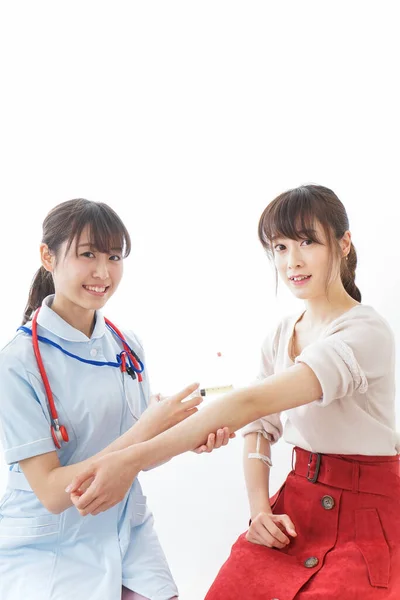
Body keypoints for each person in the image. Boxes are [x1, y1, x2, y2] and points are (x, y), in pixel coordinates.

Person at [68, 185, 400, 599]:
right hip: (297, 505)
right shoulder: (281, 335)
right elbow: (259, 426)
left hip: (367, 516)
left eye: (306, 242)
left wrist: (129, 462)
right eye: (279, 248)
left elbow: (249, 403)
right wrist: (260, 508)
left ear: (344, 243)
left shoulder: (364, 331)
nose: (291, 261)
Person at [0, 198, 233, 600]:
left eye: (113, 256)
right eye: (87, 254)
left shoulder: (127, 346)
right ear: (47, 257)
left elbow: (142, 453)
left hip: (126, 532)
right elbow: (55, 494)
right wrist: (149, 426)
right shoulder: (18, 364)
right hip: (49, 545)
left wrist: (186, 435)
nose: (102, 272)